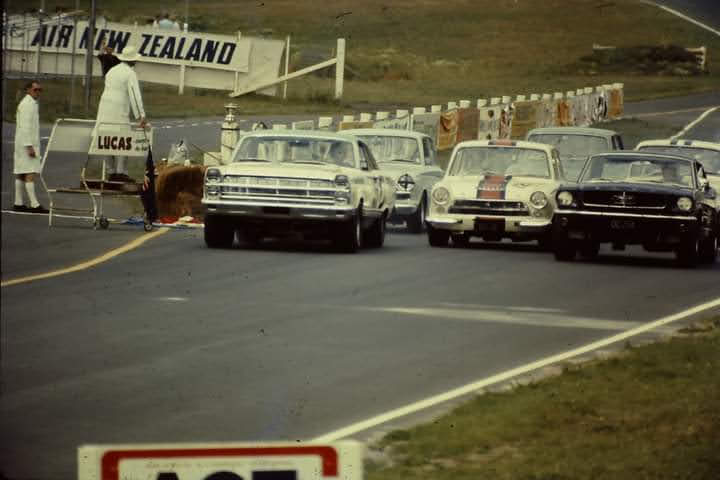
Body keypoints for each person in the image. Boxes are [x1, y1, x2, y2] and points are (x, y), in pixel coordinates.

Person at [95, 45, 147, 182]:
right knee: (123, 139)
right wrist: (141, 116)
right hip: (119, 107)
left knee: (105, 138)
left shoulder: (112, 70)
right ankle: (120, 172)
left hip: (105, 105)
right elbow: (135, 95)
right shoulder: (130, 73)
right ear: (133, 60)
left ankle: (111, 171)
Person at [13, 81, 49, 213]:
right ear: (28, 90)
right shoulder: (27, 105)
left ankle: (18, 202)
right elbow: (25, 127)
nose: (38, 92)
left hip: (22, 142)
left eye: (40, 90)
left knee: (21, 172)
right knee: (29, 172)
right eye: (35, 90)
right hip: (26, 143)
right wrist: (29, 146)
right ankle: (34, 204)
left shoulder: (31, 103)